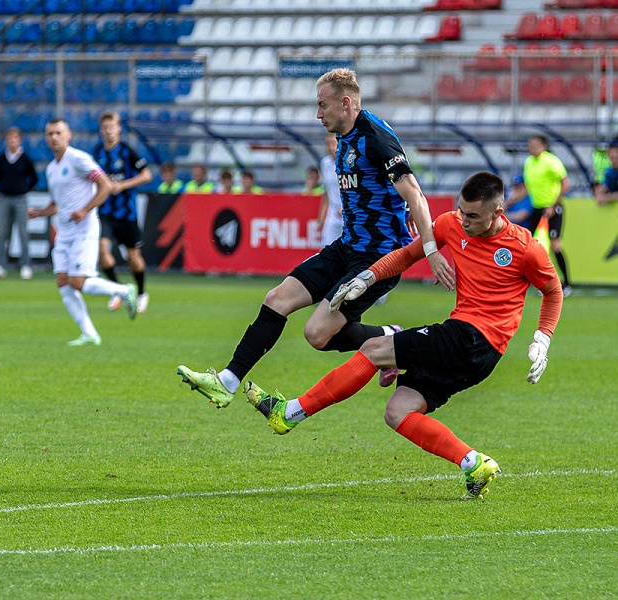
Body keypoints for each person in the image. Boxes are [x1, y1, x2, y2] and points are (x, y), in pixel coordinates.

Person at [245, 172, 562, 501]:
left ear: (498, 213)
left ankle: (289, 413)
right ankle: (474, 464)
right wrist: (367, 278)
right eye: (461, 210)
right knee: (398, 412)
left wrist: (542, 339)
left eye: (473, 216)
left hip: (473, 339)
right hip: (474, 354)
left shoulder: (525, 247)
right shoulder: (451, 224)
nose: (464, 220)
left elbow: (553, 292)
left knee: (374, 348)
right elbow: (408, 254)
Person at [178, 67, 454, 408]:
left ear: (346, 103)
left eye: (323, 105)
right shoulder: (344, 139)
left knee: (317, 334)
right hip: (347, 246)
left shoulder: (375, 136)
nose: (318, 114)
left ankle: (392, 338)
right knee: (277, 298)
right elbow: (384, 188)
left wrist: (431, 250)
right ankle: (227, 381)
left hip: (377, 258)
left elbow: (414, 192)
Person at [28, 118, 138, 346]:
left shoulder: (78, 159)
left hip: (84, 230)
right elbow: (56, 205)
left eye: (58, 133)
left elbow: (105, 185)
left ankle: (123, 290)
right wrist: (38, 213)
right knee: (63, 282)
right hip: (64, 232)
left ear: (68, 135)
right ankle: (90, 334)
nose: (54, 137)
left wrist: (85, 210)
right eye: (50, 134)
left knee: (78, 282)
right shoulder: (51, 169)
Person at [91, 111, 153, 314]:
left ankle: (141, 293)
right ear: (101, 130)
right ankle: (118, 290)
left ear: (118, 129)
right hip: (105, 211)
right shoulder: (97, 153)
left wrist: (122, 185)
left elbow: (147, 175)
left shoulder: (127, 151)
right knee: (101, 249)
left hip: (127, 213)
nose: (109, 131)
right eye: (105, 128)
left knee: (133, 257)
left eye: (112, 127)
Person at [0, 127, 39, 280]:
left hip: (20, 199)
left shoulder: (25, 159)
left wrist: (23, 188)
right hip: (4, 198)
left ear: (19, 140)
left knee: (23, 232)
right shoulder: (1, 159)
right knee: (2, 232)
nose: (12, 141)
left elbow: (34, 178)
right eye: (9, 138)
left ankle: (25, 264)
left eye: (15, 138)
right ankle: (1, 265)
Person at [524, 135, 572, 296]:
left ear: (544, 146)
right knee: (532, 247)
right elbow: (527, 187)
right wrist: (509, 201)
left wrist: (553, 205)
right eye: (530, 144)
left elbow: (565, 184)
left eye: (535, 144)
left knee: (555, 245)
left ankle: (566, 284)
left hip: (552, 209)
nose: (531, 147)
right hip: (537, 209)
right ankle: (542, 283)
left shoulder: (551, 161)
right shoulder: (529, 162)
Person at [317, 132, 344, 246]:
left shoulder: (349, 163)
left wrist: (346, 208)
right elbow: (327, 192)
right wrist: (322, 215)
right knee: (326, 247)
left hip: (349, 213)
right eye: (328, 144)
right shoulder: (325, 163)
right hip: (333, 213)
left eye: (334, 143)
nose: (331, 147)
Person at [593, 137, 618, 205]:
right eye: (610, 153)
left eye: (616, 152)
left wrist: (607, 198)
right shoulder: (610, 172)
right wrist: (598, 193)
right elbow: (604, 186)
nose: (613, 156)